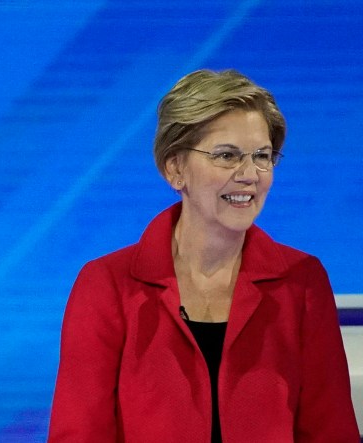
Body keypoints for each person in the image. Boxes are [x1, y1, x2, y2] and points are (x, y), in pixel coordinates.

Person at [48, 69, 359, 442]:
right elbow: (80, 434)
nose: (250, 174)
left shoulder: (302, 282)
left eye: (262, 156)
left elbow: (331, 432)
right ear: (175, 168)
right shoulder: (107, 286)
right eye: (226, 156)